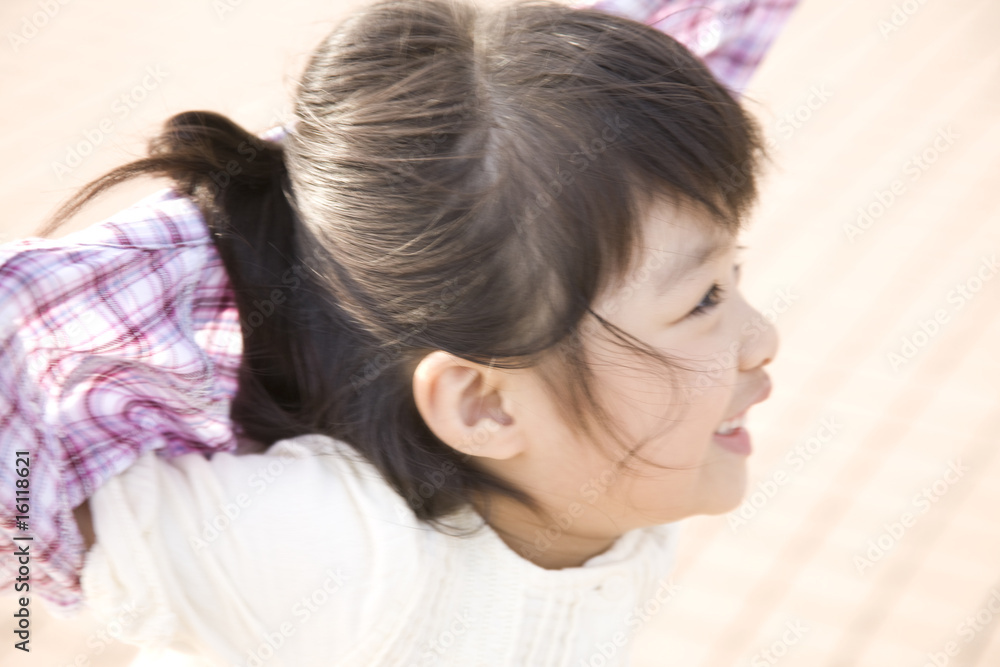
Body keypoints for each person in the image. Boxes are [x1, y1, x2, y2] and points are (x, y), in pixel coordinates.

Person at [1, 0, 794, 663]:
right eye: (703, 300)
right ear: (484, 403)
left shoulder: (628, 483)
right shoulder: (337, 552)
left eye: (732, 276)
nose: (763, 339)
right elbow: (37, 498)